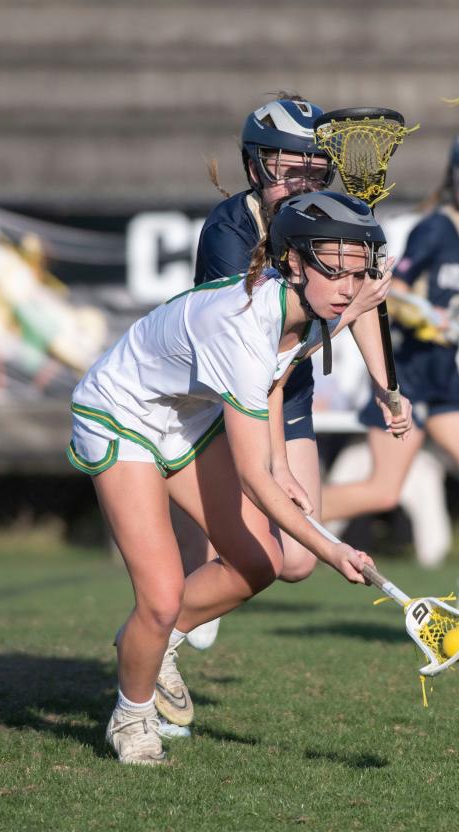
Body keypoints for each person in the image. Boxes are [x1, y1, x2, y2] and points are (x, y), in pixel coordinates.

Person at [66, 192, 411, 764]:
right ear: (294, 263)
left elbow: (278, 377)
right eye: (335, 268)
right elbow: (252, 477)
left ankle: (150, 644)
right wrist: (331, 548)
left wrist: (281, 461)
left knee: (259, 564)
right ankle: (131, 715)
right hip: (121, 412)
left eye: (359, 270)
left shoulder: (300, 308)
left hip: (181, 419)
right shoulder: (244, 325)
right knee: (161, 595)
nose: (349, 286)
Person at [176, 95, 386, 651]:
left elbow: (355, 300)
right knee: (236, 556)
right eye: (289, 171)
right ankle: (164, 630)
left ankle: (191, 581)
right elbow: (255, 353)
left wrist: (388, 387)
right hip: (221, 397)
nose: (303, 184)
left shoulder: (329, 221)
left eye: (315, 170)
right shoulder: (229, 232)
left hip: (286, 388)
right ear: (255, 168)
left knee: (296, 561)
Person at [320, 129, 459, 621]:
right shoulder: (435, 228)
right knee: (384, 490)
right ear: (456, 174)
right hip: (411, 373)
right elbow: (390, 292)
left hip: (446, 376)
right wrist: (419, 312)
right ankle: (271, 513)